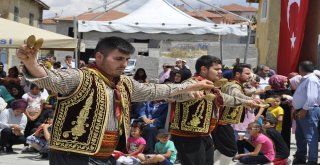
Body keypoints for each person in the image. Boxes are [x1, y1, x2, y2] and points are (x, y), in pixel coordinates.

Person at [17, 36, 215, 165]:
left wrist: (189, 87)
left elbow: (155, 90)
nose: (124, 64)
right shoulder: (81, 76)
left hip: (105, 154)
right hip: (72, 155)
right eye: (118, 59)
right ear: (99, 56)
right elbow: (51, 78)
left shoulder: (126, 83)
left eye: (127, 60)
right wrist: (31, 62)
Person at [169, 56, 258, 165]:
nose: (220, 72)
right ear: (204, 69)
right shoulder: (192, 83)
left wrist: (247, 102)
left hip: (204, 134)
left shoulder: (211, 86)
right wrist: (190, 93)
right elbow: (173, 95)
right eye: (216, 69)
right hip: (187, 136)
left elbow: (224, 98)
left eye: (220, 69)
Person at [214, 63, 258, 165]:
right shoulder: (233, 86)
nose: (250, 76)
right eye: (247, 73)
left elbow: (240, 95)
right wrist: (249, 101)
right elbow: (235, 94)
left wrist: (251, 100)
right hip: (222, 123)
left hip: (224, 123)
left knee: (223, 149)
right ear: (237, 74)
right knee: (231, 150)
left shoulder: (235, 85)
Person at [292, 61, 320, 165]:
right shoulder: (307, 79)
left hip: (309, 110)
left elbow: (312, 97)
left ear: (301, 68)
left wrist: (304, 109)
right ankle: (300, 157)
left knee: (311, 136)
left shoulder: (311, 79)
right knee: (300, 136)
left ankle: (312, 160)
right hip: (302, 110)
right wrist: (297, 109)